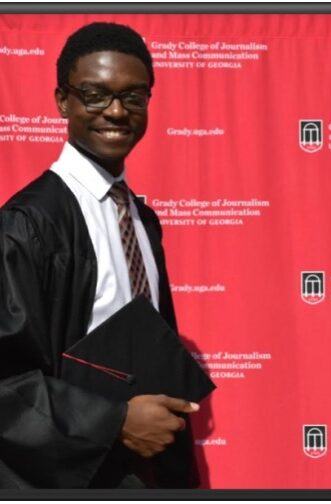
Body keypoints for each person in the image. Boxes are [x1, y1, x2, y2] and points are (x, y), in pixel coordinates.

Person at [0, 22, 201, 489]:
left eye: (133, 96)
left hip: (142, 476)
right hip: (64, 481)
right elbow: (6, 383)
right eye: (95, 95)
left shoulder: (141, 220)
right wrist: (112, 422)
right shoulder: (27, 224)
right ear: (61, 101)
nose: (115, 111)